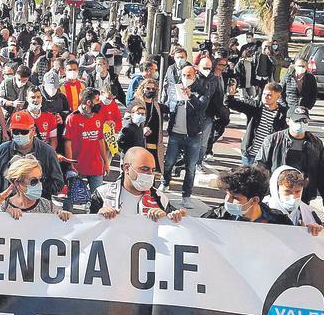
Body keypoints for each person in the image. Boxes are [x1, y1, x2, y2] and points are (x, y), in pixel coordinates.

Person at [255, 106, 324, 216]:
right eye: (297, 120)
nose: (301, 123)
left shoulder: (316, 143)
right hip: (279, 192)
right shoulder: (273, 140)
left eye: (304, 120)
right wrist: (259, 194)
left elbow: (323, 173)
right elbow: (260, 168)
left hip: (303, 193)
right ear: (288, 121)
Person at [0, 110, 64, 205]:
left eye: (24, 131)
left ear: (33, 131)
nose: (19, 135)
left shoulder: (47, 152)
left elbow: (58, 183)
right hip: (5, 206)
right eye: (16, 131)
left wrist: (34, 186)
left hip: (35, 207)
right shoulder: (1, 150)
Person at [91, 146, 186, 222]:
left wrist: (168, 218)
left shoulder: (161, 199)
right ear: (127, 168)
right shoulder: (102, 194)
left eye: (153, 170)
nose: (150, 174)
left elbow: (176, 228)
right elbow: (86, 230)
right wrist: (99, 216)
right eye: (144, 169)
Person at [162, 64, 210, 208]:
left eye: (189, 75)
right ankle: (165, 183)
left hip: (193, 135)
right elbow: (168, 105)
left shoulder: (201, 90)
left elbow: (202, 108)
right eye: (183, 75)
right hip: (176, 133)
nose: (185, 78)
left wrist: (190, 96)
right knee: (169, 161)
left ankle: (186, 195)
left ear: (194, 76)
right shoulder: (174, 88)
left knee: (190, 167)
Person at [0, 155, 72, 220]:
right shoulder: (5, 206)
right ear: (17, 183)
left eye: (41, 179)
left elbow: (59, 226)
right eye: (33, 181)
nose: (39, 184)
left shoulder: (47, 205)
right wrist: (6, 216)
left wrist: (63, 215)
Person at [63, 88, 111, 205]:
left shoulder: (98, 117)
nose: (99, 103)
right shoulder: (72, 118)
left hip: (95, 165)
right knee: (70, 198)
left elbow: (100, 140)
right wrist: (70, 164)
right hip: (77, 166)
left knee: (97, 199)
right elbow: (67, 143)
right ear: (88, 102)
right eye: (97, 100)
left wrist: (106, 162)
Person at [201, 165, 293, 224]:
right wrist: (187, 222)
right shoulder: (215, 217)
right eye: (228, 195)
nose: (228, 201)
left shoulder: (280, 222)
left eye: (235, 198)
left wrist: (305, 233)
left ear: (254, 200)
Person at [226, 81, 287, 166]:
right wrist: (230, 95)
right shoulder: (255, 107)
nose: (265, 97)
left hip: (267, 156)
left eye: (269, 95)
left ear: (278, 97)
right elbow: (232, 104)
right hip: (250, 154)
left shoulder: (283, 114)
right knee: (247, 178)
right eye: (264, 94)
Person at [261, 166, 323, 234]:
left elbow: (320, 235)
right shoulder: (262, 210)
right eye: (288, 192)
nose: (293, 197)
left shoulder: (308, 212)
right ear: (276, 190)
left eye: (297, 192)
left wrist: (315, 229)